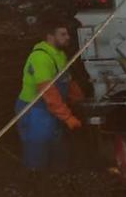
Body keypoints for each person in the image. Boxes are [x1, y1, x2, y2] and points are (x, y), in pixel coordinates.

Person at [15, 19, 83, 172]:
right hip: (35, 110)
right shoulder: (40, 58)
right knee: (37, 150)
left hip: (50, 111)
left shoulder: (60, 55)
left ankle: (56, 181)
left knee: (57, 149)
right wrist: (67, 117)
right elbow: (48, 93)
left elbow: (67, 80)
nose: (68, 37)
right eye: (63, 34)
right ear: (50, 36)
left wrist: (79, 100)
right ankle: (35, 183)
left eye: (67, 34)